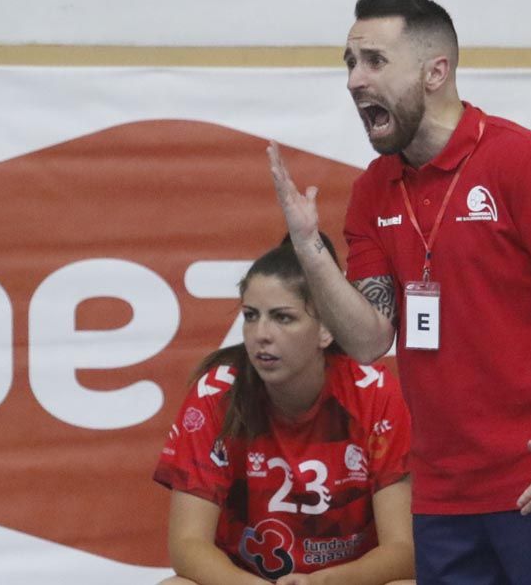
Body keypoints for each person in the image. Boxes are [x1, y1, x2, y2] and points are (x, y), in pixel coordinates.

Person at [268, 0, 531, 584]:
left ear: (437, 71)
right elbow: (368, 340)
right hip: (444, 499)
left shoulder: (525, 161)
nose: (356, 80)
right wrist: (309, 250)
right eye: (349, 63)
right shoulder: (373, 192)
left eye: (375, 61)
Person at [152, 234, 416, 585]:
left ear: (325, 329)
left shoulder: (377, 394)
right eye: (250, 316)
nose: (261, 334)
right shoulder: (215, 393)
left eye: (283, 318)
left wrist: (322, 582)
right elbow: (187, 544)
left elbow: (404, 550)